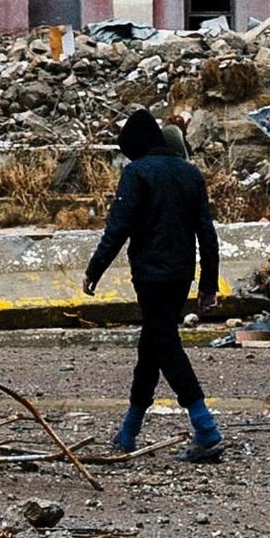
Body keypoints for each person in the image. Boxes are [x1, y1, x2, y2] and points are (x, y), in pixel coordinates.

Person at [82, 109, 223, 460]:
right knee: (152, 349)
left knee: (165, 346)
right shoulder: (190, 174)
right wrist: (208, 283)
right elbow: (207, 233)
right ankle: (128, 433)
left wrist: (94, 270)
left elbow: (118, 228)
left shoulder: (136, 173)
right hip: (180, 275)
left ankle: (206, 429)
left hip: (149, 275)